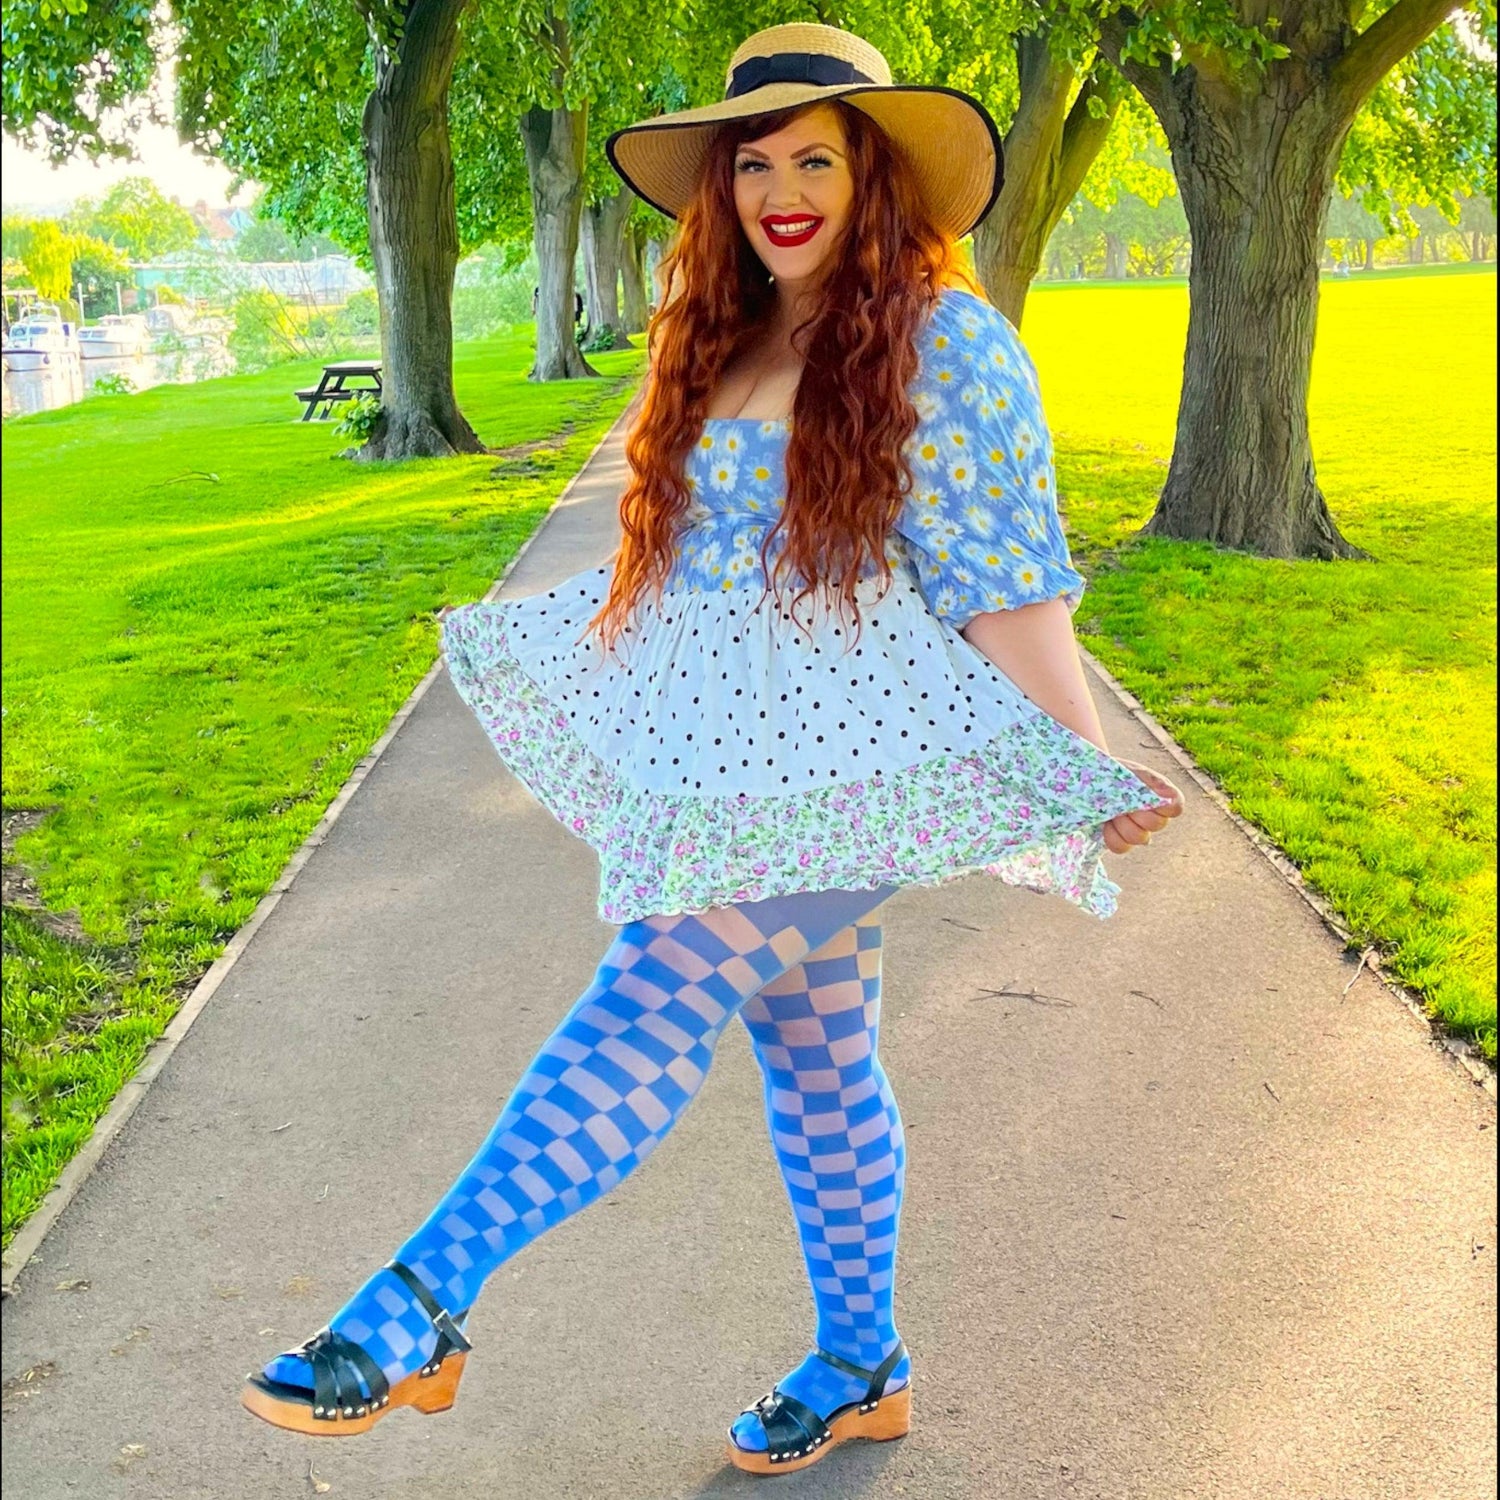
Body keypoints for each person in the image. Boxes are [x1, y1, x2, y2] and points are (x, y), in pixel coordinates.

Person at [240, 21, 1183, 1476]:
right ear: (722, 190)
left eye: (818, 158)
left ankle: (421, 1299)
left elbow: (1012, 576)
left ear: (878, 183)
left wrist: (1083, 753)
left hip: (863, 756)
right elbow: (693, 573)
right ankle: (864, 1363)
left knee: (653, 986)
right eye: (755, 164)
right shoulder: (722, 336)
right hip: (734, 749)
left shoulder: (953, 343)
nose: (782, 189)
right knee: (814, 1056)